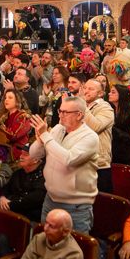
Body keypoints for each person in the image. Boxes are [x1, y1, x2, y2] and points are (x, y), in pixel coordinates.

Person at [28, 96, 100, 233]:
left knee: (75, 248)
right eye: (60, 111)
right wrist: (39, 140)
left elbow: (68, 160)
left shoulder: (90, 137)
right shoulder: (57, 129)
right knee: (47, 244)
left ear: (79, 115)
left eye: (65, 112)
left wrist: (46, 136)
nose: (60, 115)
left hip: (75, 206)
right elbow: (34, 155)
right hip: (50, 199)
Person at [80, 78, 115, 193]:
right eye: (85, 88)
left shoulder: (105, 108)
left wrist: (82, 105)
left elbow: (95, 127)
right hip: (80, 160)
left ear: (100, 94)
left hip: (98, 164)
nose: (86, 91)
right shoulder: (82, 105)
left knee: (100, 204)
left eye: (91, 89)